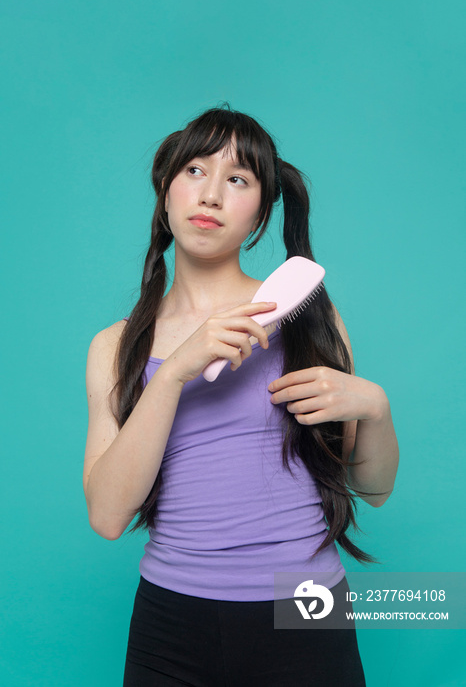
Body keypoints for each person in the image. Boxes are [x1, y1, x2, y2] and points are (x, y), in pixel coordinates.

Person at [83, 104, 399, 686]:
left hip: (307, 608)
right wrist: (174, 372)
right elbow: (106, 516)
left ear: (259, 212)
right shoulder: (115, 346)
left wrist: (374, 407)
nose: (210, 196)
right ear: (166, 187)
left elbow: (374, 489)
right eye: (195, 171)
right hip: (171, 620)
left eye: (238, 180)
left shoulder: (308, 317)